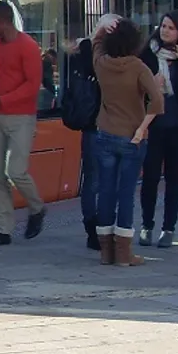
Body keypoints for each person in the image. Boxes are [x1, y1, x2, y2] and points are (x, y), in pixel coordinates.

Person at [91, 14, 162, 266]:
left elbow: (96, 41)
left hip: (104, 134)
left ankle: (106, 252)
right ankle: (124, 254)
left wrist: (102, 27)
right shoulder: (139, 67)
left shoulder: (101, 63)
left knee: (106, 191)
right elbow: (157, 101)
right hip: (132, 137)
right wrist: (142, 128)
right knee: (126, 193)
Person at [0, 0, 46, 247]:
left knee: (15, 171)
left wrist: (2, 99)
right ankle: (4, 229)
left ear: (1, 21)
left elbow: (32, 86)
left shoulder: (28, 46)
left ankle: (37, 208)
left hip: (20, 117)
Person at [137, 12, 178, 248]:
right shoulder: (147, 55)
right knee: (151, 176)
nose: (165, 30)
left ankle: (169, 228)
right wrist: (151, 86)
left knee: (174, 177)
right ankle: (146, 225)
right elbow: (135, 89)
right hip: (154, 125)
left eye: (171, 28)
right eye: (163, 26)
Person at [63, 35, 100, 250]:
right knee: (95, 181)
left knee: (95, 181)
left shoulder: (109, 57)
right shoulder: (89, 58)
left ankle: (98, 230)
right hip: (96, 128)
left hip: (100, 129)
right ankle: (95, 230)